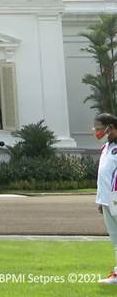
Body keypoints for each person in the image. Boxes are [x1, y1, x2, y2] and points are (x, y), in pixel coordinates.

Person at [97, 113, 117, 284]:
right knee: (116, 239)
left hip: (116, 197)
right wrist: (100, 200)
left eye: (100, 128)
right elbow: (103, 175)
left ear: (110, 127)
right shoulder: (106, 148)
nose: (97, 132)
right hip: (106, 200)